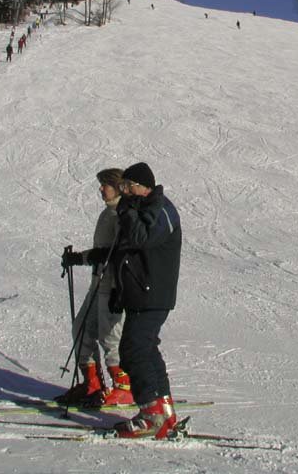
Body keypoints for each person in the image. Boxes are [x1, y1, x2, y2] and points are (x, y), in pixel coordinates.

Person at [65, 162, 181, 439]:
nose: (125, 191)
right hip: (139, 291)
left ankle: (149, 412)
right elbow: (119, 253)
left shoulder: (158, 210)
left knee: (133, 349)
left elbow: (141, 238)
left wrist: (127, 210)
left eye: (129, 186)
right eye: (123, 187)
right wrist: (82, 260)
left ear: (143, 186)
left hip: (152, 292)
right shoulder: (141, 209)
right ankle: (161, 410)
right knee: (145, 348)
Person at [56, 168, 135, 407]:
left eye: (105, 185)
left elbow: (122, 251)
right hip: (98, 282)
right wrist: (79, 258)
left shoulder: (124, 214)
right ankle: (92, 383)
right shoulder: (107, 213)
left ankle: (123, 387)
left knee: (110, 336)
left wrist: (99, 257)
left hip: (113, 285)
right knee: (81, 329)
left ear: (119, 187)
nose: (101, 189)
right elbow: (102, 250)